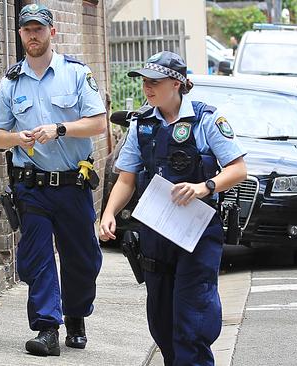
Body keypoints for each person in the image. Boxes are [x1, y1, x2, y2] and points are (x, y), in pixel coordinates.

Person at [99, 51, 247, 365]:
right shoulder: (142, 124)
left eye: (155, 82)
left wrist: (203, 187)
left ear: (177, 83)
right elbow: (126, 179)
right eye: (144, 82)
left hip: (197, 235)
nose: (147, 88)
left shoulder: (206, 120)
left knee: (192, 322)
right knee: (162, 323)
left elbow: (238, 169)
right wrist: (109, 213)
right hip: (156, 233)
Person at [0, 3, 107, 357]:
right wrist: (17, 138)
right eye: (27, 30)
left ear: (52, 32)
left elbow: (98, 122)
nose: (33, 35)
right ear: (21, 34)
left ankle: (75, 315)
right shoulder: (11, 81)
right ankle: (46, 327)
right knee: (37, 258)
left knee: (82, 259)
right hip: (32, 187)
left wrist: (60, 129)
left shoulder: (75, 73)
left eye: (39, 29)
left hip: (73, 184)